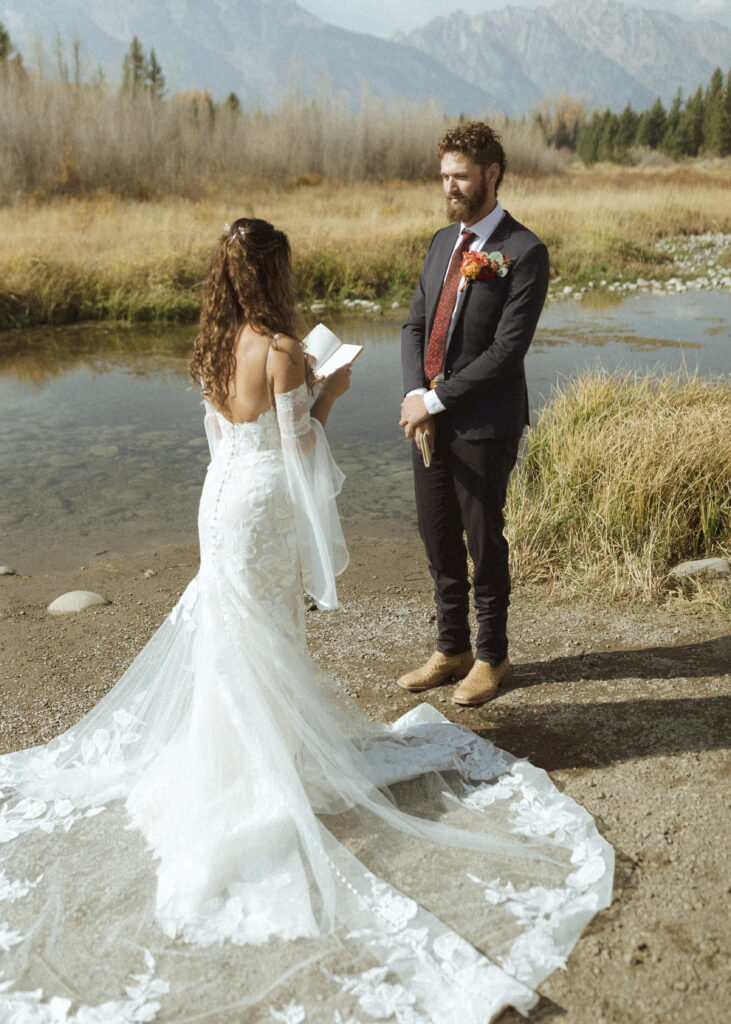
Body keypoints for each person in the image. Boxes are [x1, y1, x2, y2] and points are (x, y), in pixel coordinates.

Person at [0, 219, 611, 1022]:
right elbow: (300, 448)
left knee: (235, 630)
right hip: (259, 503)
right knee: (263, 631)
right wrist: (330, 391)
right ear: (272, 273)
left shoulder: (214, 341)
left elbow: (224, 430)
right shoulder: (282, 349)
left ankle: (236, 756)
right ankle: (264, 769)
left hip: (218, 499)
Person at [399, 121, 549, 707]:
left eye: (460, 176)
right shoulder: (442, 243)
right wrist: (417, 396)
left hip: (485, 421)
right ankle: (451, 648)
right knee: (436, 534)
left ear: (492, 174)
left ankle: (492, 657)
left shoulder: (524, 251)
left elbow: (506, 353)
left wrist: (436, 399)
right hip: (430, 418)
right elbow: (415, 324)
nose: (449, 187)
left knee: (483, 539)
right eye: (444, 176)